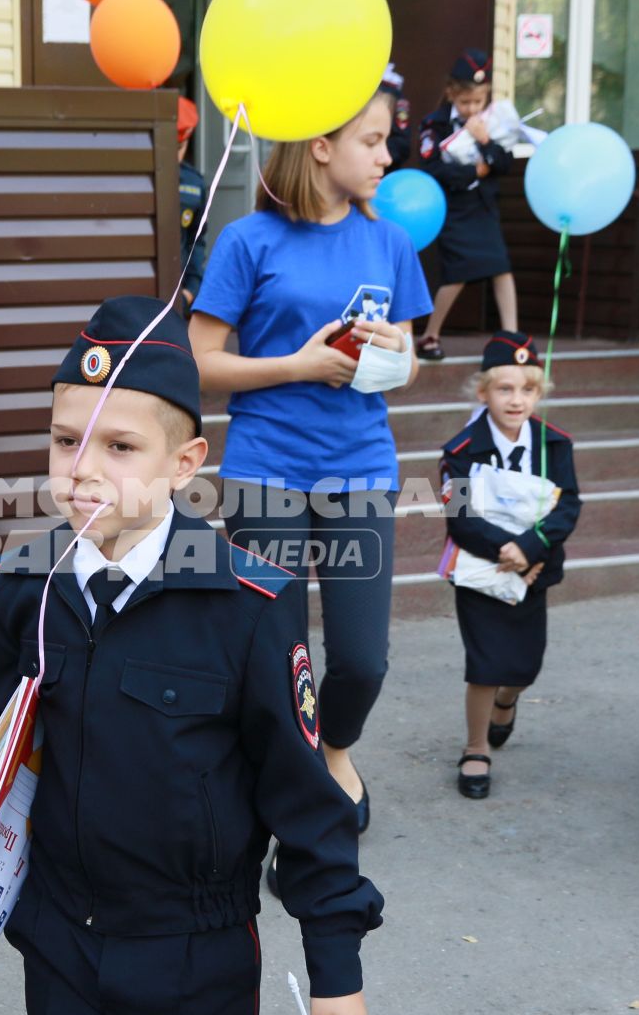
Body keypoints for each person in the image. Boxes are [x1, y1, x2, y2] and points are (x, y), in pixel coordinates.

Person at [0, 297, 383, 1015]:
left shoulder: (248, 603)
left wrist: (337, 965)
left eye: (119, 447)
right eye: (65, 441)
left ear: (185, 463)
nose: (82, 471)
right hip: (59, 937)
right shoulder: (23, 583)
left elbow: (306, 800)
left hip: (189, 952)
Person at [188, 84, 428, 845]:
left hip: (361, 467)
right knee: (274, 650)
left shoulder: (389, 242)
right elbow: (198, 364)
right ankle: (285, 781)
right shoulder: (246, 241)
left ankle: (335, 750)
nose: (387, 156)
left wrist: (395, 358)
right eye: (372, 140)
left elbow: (412, 359)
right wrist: (298, 365)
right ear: (320, 146)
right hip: (268, 470)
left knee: (362, 658)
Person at [438, 332, 582, 799]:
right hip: (482, 571)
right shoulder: (460, 452)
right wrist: (511, 551)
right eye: (504, 389)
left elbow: (567, 505)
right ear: (483, 392)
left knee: (523, 667)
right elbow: (460, 518)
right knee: (485, 662)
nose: (516, 400)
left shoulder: (554, 445)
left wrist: (533, 548)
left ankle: (508, 700)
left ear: (539, 393)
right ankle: (475, 747)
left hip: (533, 572)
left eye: (527, 389)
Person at [412, 49, 527, 362]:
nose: (471, 108)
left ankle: (511, 336)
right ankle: (430, 335)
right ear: (451, 94)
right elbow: (433, 166)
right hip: (454, 208)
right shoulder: (435, 124)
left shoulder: (493, 121)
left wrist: (485, 141)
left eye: (478, 101)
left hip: (483, 206)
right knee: (457, 272)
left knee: (500, 267)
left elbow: (504, 162)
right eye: (465, 103)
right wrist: (474, 170)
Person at [176, 96, 210, 309]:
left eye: (179, 147)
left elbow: (197, 239)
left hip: (178, 293)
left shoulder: (194, 183)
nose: (174, 155)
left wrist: (192, 289)